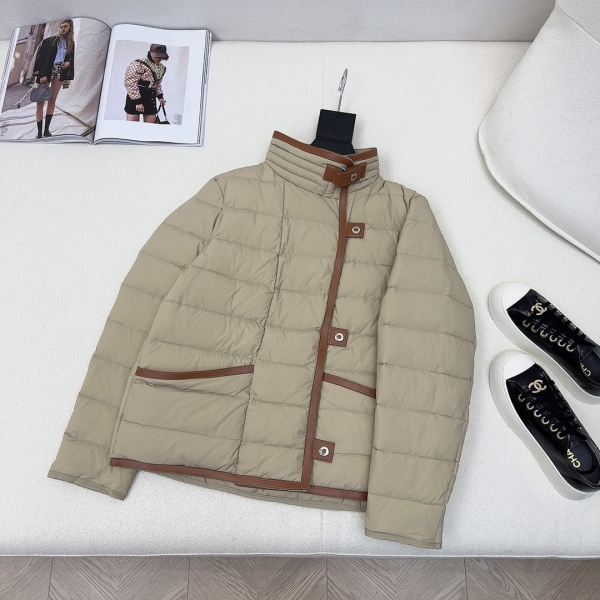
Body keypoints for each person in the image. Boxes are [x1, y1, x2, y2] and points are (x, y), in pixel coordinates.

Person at [32, 20, 75, 138]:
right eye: (61, 26)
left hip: (59, 71)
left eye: (65, 26)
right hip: (46, 71)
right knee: (40, 102)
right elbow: (41, 58)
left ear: (70, 28)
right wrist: (42, 74)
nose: (63, 28)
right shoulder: (49, 41)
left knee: (52, 100)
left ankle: (46, 131)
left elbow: (70, 57)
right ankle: (39, 133)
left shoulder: (71, 43)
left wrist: (68, 62)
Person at [123, 44, 168, 123]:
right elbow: (130, 82)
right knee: (132, 127)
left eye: (160, 56)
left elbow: (157, 84)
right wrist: (137, 101)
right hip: (135, 97)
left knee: (150, 127)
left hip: (150, 98)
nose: (158, 58)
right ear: (150, 53)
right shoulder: (138, 64)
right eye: (156, 56)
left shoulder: (161, 67)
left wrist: (160, 96)